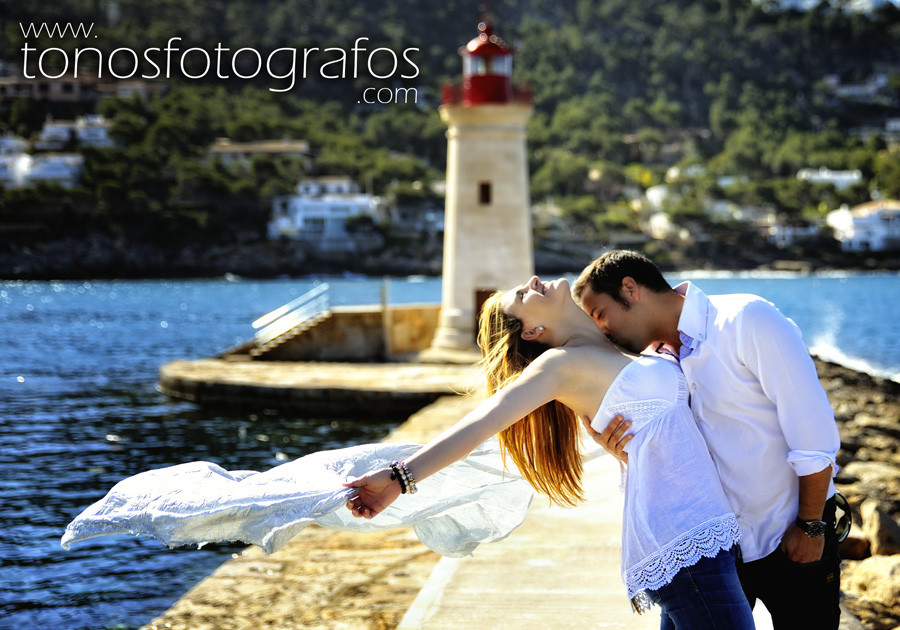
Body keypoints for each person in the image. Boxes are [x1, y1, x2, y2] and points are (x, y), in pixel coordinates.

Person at [345, 276, 754, 629]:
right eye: (522, 297)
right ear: (532, 331)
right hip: (683, 540)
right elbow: (482, 422)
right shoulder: (560, 366)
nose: (531, 283)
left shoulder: (622, 344)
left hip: (708, 530)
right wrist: (400, 477)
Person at [571, 250, 841, 629]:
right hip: (714, 552)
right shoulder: (652, 370)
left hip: (791, 534)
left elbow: (813, 434)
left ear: (630, 289)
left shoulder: (746, 318)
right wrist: (619, 448)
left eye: (599, 314)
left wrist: (811, 526)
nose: (602, 330)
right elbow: (670, 458)